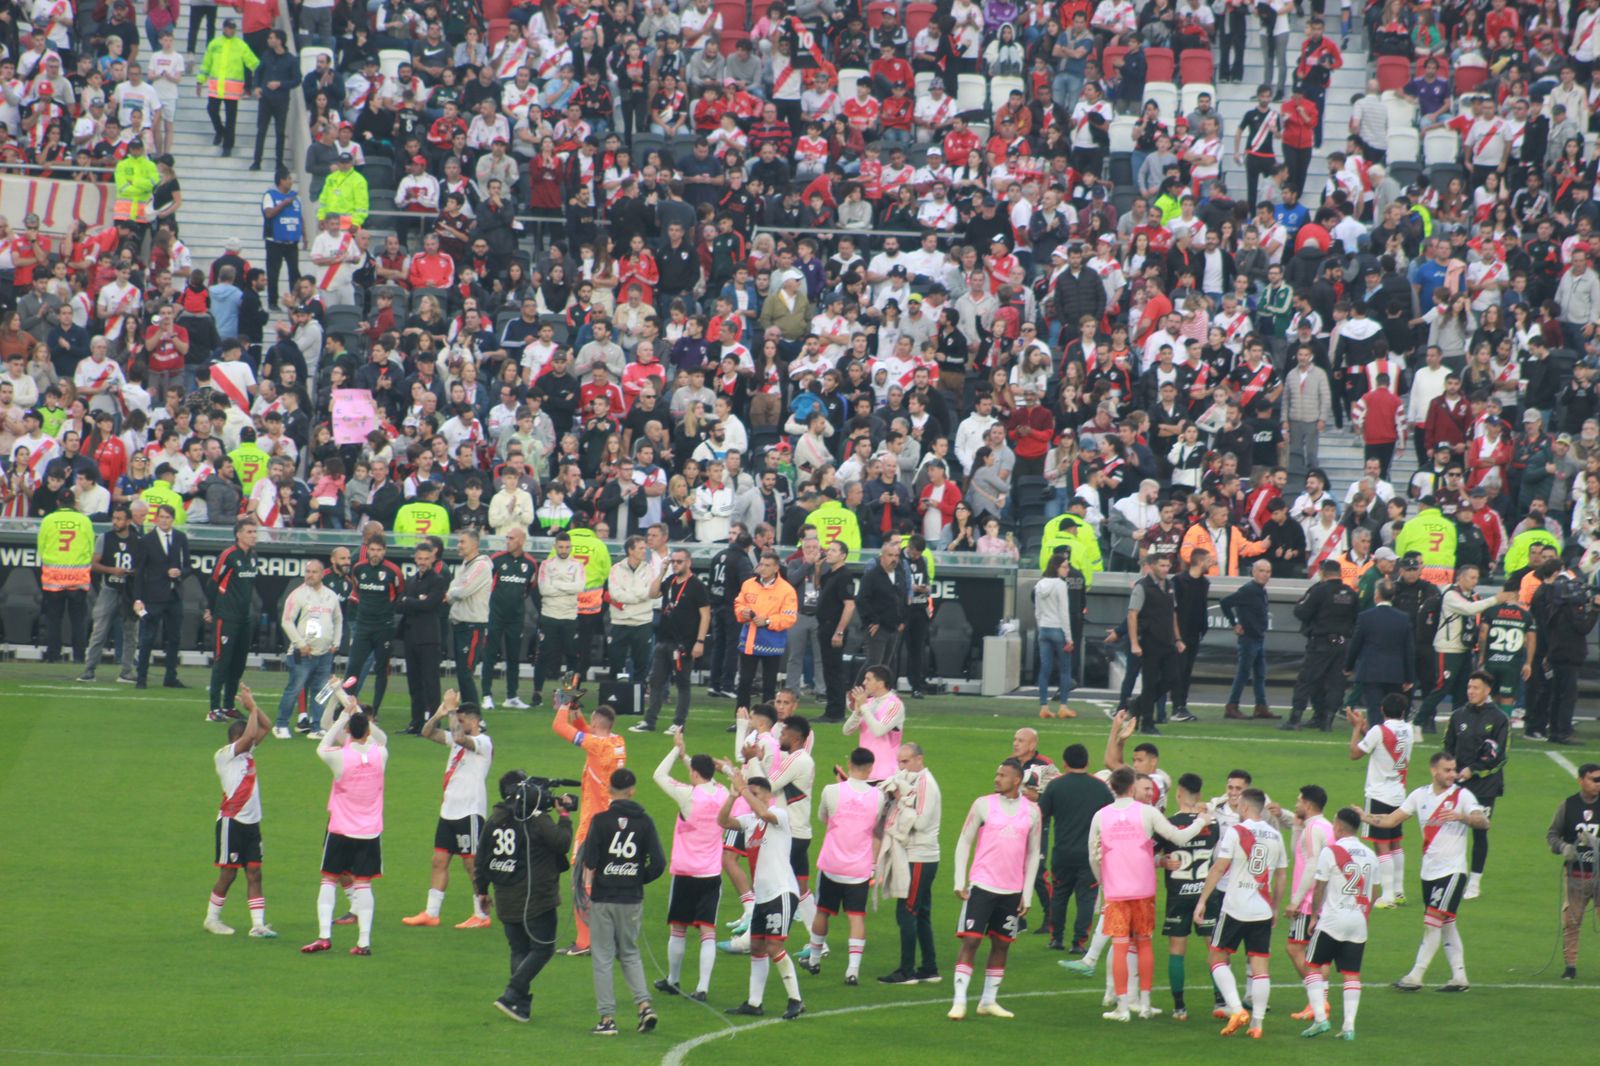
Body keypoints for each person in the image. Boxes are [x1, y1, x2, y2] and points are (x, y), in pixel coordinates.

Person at [1090, 765, 1212, 1022]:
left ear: (1112, 787)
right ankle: (1145, 1004)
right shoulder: (1147, 812)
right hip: (1144, 889)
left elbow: (1093, 854)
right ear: (1132, 787)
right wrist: (1201, 821)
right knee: (1144, 943)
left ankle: (1122, 1007)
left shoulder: (1101, 816)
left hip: (1116, 891)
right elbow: (1178, 838)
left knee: (1120, 946)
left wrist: (1102, 880)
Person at [1361, 750, 1490, 992]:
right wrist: (1365, 817)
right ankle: (1459, 977)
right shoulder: (1419, 795)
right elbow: (1391, 820)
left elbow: (1484, 822)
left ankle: (1415, 976)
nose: (1452, 774)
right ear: (1434, 771)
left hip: (1452, 872)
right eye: (1447, 770)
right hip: (1429, 873)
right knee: (1447, 924)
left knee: (1432, 922)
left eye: (1454, 769)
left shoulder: (1463, 796)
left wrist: (1462, 817)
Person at [476, 770, 575, 1024]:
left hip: (505, 897)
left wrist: (482, 892)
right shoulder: (535, 819)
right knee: (543, 948)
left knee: (519, 949)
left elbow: (481, 860)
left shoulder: (494, 820)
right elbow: (562, 843)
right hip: (536, 898)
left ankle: (519, 1005)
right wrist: (564, 816)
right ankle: (512, 993)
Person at [948, 758, 1042, 1021]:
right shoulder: (983, 804)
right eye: (997, 774)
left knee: (1002, 945)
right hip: (982, 885)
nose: (997, 778)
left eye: (1002, 775)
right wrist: (959, 880)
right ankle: (959, 1001)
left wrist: (1026, 893)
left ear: (1017, 780)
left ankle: (988, 1001)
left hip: (1011, 890)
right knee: (971, 940)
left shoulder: (1032, 811)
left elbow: (1033, 853)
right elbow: (964, 841)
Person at [1195, 786, 1288, 1038]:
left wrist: (1202, 901)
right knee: (1260, 967)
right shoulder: (1275, 836)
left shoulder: (1236, 832)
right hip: (1262, 909)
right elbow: (1281, 876)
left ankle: (1236, 1010)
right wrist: (1275, 906)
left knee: (1216, 957)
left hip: (1235, 907)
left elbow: (1218, 868)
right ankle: (1257, 1024)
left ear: (1245, 807)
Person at [302, 689, 388, 956]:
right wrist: (357, 712)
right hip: (369, 832)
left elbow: (321, 746)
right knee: (364, 884)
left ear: (349, 731)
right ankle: (363, 942)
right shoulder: (381, 754)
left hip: (340, 829)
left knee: (329, 880)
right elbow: (381, 738)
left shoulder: (340, 757)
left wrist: (343, 717)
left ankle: (324, 937)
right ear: (368, 730)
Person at [582, 767, 666, 1036]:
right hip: (631, 898)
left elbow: (590, 860)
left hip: (604, 897)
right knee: (629, 953)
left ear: (609, 789)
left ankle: (607, 1019)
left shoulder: (600, 821)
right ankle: (644, 1006)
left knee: (603, 957)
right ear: (632, 790)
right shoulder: (645, 822)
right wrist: (637, 878)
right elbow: (659, 863)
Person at [717, 768, 807, 1020]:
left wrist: (743, 789)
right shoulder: (748, 821)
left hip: (781, 892)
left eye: (755, 794)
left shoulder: (779, 815)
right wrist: (733, 796)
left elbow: (764, 813)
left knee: (774, 945)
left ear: (768, 795)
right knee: (757, 946)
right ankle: (754, 1003)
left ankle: (796, 1000)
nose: (750, 798)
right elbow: (722, 821)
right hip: (763, 897)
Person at [402, 692, 494, 929]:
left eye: (461, 720)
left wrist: (453, 710)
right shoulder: (456, 738)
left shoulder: (484, 742)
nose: (457, 724)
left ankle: (481, 915)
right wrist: (440, 713)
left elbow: (460, 738)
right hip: (449, 811)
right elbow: (427, 732)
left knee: (471, 864)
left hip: (469, 811)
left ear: (473, 721)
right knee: (438, 861)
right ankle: (431, 913)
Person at [651, 730, 728, 999]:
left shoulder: (688, 796)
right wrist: (687, 757)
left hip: (685, 873)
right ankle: (703, 987)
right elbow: (705, 777)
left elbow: (659, 775)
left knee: (678, 928)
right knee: (708, 931)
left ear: (694, 773)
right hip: (711, 873)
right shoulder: (722, 793)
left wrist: (676, 750)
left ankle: (673, 980)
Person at [803, 746, 887, 983]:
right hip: (859, 868)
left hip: (832, 864)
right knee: (856, 917)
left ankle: (814, 960)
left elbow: (823, 817)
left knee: (822, 911)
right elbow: (876, 826)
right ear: (871, 768)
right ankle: (852, 970)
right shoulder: (878, 796)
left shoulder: (831, 791)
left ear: (849, 764)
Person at [552, 697, 628, 956]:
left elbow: (559, 728)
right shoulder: (617, 742)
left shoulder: (596, 744)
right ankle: (608, 938)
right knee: (603, 880)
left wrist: (564, 704)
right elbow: (585, 732)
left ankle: (585, 942)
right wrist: (576, 711)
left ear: (597, 722)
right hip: (613, 823)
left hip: (592, 825)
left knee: (581, 881)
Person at [1299, 807, 1378, 1040]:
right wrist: (1364, 913)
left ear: (1339, 827)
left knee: (1313, 965)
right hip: (1358, 921)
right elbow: (1376, 891)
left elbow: (1319, 887)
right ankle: (1349, 1027)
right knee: (1351, 974)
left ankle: (1320, 1019)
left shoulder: (1331, 851)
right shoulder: (1370, 854)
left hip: (1332, 920)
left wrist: (1314, 916)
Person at [205, 685, 274, 938]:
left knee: (255, 872)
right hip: (231, 822)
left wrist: (254, 706)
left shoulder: (246, 754)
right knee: (228, 873)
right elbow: (250, 736)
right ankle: (212, 919)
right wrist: (251, 708)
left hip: (252, 824)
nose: (253, 741)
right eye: (247, 737)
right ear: (236, 739)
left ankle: (258, 925)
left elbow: (266, 726)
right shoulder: (225, 755)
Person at [1414, 564, 1514, 732]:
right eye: (1472, 578)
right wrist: (1496, 599)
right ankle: (1417, 722)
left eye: (1477, 578)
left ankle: (1459, 726)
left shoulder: (1473, 596)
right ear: (1461, 578)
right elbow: (1469, 609)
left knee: (1463, 690)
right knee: (1442, 687)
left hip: (1465, 648)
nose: (1475, 581)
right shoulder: (1451, 594)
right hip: (1448, 648)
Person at [1154, 772, 1221, 1021]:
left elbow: (1149, 853)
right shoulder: (1213, 824)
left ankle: (1179, 1008)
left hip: (1178, 894)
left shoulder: (1168, 824)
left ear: (1179, 793)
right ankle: (1220, 1001)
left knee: (1176, 949)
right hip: (1206, 893)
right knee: (1214, 948)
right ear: (1199, 794)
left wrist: (1162, 862)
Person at [877, 741, 943, 984]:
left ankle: (906, 971)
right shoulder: (914, 781)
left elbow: (921, 822)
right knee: (921, 912)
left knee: (907, 911)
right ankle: (929, 968)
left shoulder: (925, 784)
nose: (901, 767)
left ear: (919, 760)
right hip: (919, 856)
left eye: (905, 762)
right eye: (899, 762)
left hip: (919, 856)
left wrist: (901, 797)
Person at [1443, 670, 1510, 900]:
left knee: (1480, 832)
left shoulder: (1499, 718)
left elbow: (1500, 755)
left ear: (1487, 690)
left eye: (1476, 688)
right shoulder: (1458, 715)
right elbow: (1448, 747)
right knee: (1453, 829)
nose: (1471, 691)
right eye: (1469, 687)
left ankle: (1474, 883)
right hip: (1458, 785)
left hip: (1485, 785)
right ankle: (1452, 875)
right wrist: (1450, 770)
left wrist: (1473, 769)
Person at [1040, 743, 1111, 953]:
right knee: (1086, 898)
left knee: (1059, 895)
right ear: (1087, 762)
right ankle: (1078, 943)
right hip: (1089, 855)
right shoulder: (1100, 787)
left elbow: (1042, 815)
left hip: (1062, 853)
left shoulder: (1055, 786)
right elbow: (1110, 818)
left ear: (1065, 763)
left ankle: (1056, 938)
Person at [1347, 693, 1414, 907]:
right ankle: (1399, 891)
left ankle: (1387, 896)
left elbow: (1355, 753)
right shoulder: (1408, 730)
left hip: (1379, 794)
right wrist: (1365, 729)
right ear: (1403, 711)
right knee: (1395, 842)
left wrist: (1356, 728)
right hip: (1399, 793)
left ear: (1383, 710)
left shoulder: (1379, 731)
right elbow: (1381, 742)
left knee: (1381, 845)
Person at [639, 548, 711, 733]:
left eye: (679, 561)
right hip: (664, 639)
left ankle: (679, 723)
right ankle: (649, 721)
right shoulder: (670, 581)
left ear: (689, 562)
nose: (675, 565)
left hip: (683, 643)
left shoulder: (696, 585)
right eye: (673, 562)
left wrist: (700, 641)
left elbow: (705, 615)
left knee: (682, 684)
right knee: (656, 681)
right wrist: (662, 572)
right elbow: (652, 593)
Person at [1284, 559, 1358, 731]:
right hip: (1342, 642)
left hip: (1322, 641)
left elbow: (1302, 612)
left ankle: (1295, 719)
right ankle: (1326, 721)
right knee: (1336, 683)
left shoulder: (1319, 591)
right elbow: (1356, 619)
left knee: (1307, 679)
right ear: (1340, 573)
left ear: (1322, 572)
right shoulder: (1350, 593)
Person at [1281, 785, 1335, 1023]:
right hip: (1327, 900)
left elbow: (1312, 866)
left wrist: (1296, 901)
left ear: (1308, 805)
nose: (1296, 805)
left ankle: (1318, 1001)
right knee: (1318, 955)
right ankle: (1319, 1002)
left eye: (1299, 801)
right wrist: (1295, 825)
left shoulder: (1313, 829)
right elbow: (1300, 855)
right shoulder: (1326, 827)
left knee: (1294, 948)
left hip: (1310, 902)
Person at [274, 558, 342, 738]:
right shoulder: (297, 594)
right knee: (294, 689)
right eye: (307, 572)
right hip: (302, 653)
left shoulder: (331, 595)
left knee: (320, 692)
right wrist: (301, 644)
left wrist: (336, 642)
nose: (309, 575)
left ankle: (316, 727)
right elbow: (286, 621)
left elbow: (338, 619)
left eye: (314, 572)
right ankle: (280, 724)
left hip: (325, 653)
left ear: (322, 574)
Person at [1546, 762, 1600, 980]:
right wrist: (1563, 848)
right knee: (1571, 921)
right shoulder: (1567, 806)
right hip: (1576, 875)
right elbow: (1552, 835)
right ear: (1581, 780)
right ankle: (1570, 966)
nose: (1598, 784)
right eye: (1594, 779)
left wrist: (1595, 843)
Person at [77, 503, 141, 684]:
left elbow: (144, 566)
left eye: (119, 519)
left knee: (131, 633)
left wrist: (134, 573)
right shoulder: (105, 538)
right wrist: (112, 570)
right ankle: (89, 670)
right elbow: (94, 564)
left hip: (129, 592)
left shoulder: (138, 541)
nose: (115, 522)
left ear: (128, 521)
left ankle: (127, 671)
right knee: (99, 630)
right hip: (109, 589)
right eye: (114, 518)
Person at [342, 535, 405, 715]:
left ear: (384, 551)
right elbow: (357, 589)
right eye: (372, 550)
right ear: (367, 550)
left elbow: (399, 594)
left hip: (383, 628)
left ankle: (374, 711)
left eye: (379, 550)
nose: (375, 553)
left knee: (381, 669)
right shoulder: (358, 569)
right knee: (354, 666)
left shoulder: (393, 571)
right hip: (363, 626)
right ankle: (346, 706)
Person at [205, 519, 259, 723]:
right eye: (249, 532)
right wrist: (211, 609)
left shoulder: (253, 557)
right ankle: (213, 709)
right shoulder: (228, 555)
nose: (253, 535)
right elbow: (213, 582)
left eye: (255, 531)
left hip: (244, 618)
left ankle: (228, 706)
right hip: (226, 617)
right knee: (222, 662)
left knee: (238, 664)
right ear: (238, 534)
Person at [132, 503, 189, 690]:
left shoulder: (180, 538)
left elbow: (188, 566)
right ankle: (141, 678)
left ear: (173, 519)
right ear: (156, 518)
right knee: (147, 638)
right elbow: (139, 572)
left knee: (174, 638)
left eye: (167, 517)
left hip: (174, 595)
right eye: (161, 517)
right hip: (153, 596)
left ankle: (170, 677)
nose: (164, 521)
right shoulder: (146, 540)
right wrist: (138, 599)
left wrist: (179, 572)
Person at [733, 550, 798, 708]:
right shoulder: (748, 584)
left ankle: (768, 717)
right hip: (749, 640)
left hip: (772, 642)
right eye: (761, 564)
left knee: (769, 685)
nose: (763, 568)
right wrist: (743, 612)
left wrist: (767, 621)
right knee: (744, 682)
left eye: (767, 565)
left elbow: (789, 617)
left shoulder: (787, 590)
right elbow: (738, 604)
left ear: (776, 568)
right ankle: (741, 717)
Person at [1127, 553, 1183, 736]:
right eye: (1162, 565)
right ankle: (1147, 723)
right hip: (1149, 640)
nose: (1166, 569)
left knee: (1172, 679)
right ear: (1151, 566)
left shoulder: (1169, 585)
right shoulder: (1142, 586)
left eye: (1168, 566)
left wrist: (1178, 639)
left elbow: (1172, 614)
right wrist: (1134, 643)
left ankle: (1137, 705)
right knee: (1150, 683)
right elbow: (1132, 614)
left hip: (1167, 641)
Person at [397, 538, 448, 734]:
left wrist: (409, 601)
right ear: (415, 559)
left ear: (432, 559)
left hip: (429, 637)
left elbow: (429, 605)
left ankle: (433, 723)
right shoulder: (411, 580)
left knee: (431, 682)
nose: (423, 562)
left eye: (426, 558)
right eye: (420, 558)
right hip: (411, 636)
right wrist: (415, 601)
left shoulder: (438, 580)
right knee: (414, 681)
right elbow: (399, 605)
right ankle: (416, 722)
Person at [481, 527, 535, 711]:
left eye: (511, 538)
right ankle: (486, 695)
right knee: (489, 655)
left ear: (521, 541)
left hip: (516, 617)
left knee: (513, 657)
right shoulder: (496, 559)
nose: (508, 541)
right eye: (507, 538)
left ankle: (512, 696)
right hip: (495, 615)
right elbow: (486, 584)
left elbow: (529, 588)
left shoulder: (530, 564)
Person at [1344, 579, 1415, 717]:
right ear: (1393, 596)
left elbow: (1355, 645)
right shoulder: (1403, 618)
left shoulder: (1365, 617)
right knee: (1393, 711)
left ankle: (1377, 730)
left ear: (1377, 594)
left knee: (1374, 709)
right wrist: (1409, 677)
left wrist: (1348, 666)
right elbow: (1409, 650)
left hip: (1371, 671)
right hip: (1395, 672)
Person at [37, 495, 93, 667]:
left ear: (58, 502)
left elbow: (41, 547)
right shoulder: (84, 521)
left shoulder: (48, 520)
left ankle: (53, 655)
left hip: (54, 578)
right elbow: (90, 548)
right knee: (78, 620)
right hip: (78, 577)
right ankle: (79, 656)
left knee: (54, 619)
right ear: (74, 503)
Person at [533, 531, 586, 706]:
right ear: (555, 546)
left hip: (569, 616)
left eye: (567, 547)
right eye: (561, 547)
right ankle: (537, 693)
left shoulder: (577, 565)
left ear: (571, 547)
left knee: (571, 656)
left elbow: (579, 587)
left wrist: (556, 584)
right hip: (549, 615)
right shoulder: (546, 565)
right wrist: (568, 587)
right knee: (543, 655)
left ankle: (569, 694)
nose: (564, 550)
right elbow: (544, 590)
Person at [1219, 559, 1275, 720]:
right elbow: (1225, 602)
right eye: (1262, 571)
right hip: (1249, 638)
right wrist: (1234, 623)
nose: (1265, 574)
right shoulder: (1248, 590)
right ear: (1254, 572)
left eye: (1268, 571)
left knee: (1259, 674)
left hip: (1258, 637)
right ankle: (1232, 706)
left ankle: (1261, 706)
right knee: (1244, 673)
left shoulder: (1261, 590)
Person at [197, 18, 259, 157]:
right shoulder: (214, 44)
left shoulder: (241, 45)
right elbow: (206, 64)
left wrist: (264, 74)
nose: (231, 30)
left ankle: (228, 146)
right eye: (229, 27)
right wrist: (200, 81)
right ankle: (220, 131)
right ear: (224, 28)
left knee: (231, 118)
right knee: (212, 110)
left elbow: (253, 62)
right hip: (216, 87)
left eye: (233, 28)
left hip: (232, 89)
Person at [607, 534, 662, 686]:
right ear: (630, 551)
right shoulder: (616, 569)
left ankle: (639, 693)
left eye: (645, 548)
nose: (645, 551)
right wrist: (639, 595)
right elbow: (615, 594)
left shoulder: (651, 570)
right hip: (620, 622)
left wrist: (630, 594)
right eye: (641, 548)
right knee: (616, 662)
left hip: (642, 622)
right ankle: (617, 692)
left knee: (642, 662)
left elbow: (651, 592)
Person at [447, 529, 492, 706]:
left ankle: (475, 715)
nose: (459, 545)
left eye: (462, 542)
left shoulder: (481, 566)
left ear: (474, 544)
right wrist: (453, 592)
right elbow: (453, 590)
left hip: (472, 625)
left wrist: (452, 593)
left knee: (466, 672)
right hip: (460, 623)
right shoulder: (465, 564)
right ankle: (467, 712)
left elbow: (462, 591)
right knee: (462, 672)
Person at [815, 539, 856, 722]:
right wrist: (818, 568)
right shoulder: (830, 574)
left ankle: (836, 712)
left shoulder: (844, 575)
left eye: (833, 550)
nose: (828, 553)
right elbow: (818, 586)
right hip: (825, 626)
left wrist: (839, 631)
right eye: (829, 550)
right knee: (828, 669)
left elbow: (849, 605)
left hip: (833, 626)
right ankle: (831, 710)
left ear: (843, 555)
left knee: (834, 670)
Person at [1034, 552, 1077, 720]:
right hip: (1058, 629)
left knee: (1045, 670)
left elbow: (1037, 611)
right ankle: (1063, 707)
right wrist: (1069, 637)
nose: (1067, 570)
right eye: (1065, 567)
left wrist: (1040, 628)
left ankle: (1043, 707)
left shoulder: (1039, 584)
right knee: (1065, 670)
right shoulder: (1060, 585)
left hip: (1044, 628)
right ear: (1057, 567)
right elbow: (1063, 613)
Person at [843, 664, 904, 782]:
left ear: (880, 683)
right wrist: (857, 713)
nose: (864, 683)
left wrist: (864, 707)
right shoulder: (868, 702)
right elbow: (846, 731)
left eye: (868, 679)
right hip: (863, 771)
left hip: (885, 775)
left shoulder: (895, 705)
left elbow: (878, 731)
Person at [855, 541, 906, 679]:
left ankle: (879, 692)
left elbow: (902, 599)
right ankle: (857, 690)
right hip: (877, 628)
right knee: (873, 664)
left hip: (893, 627)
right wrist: (873, 620)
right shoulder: (872, 576)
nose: (894, 559)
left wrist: (902, 620)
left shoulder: (899, 576)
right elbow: (861, 600)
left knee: (884, 667)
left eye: (896, 555)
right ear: (882, 556)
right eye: (890, 555)